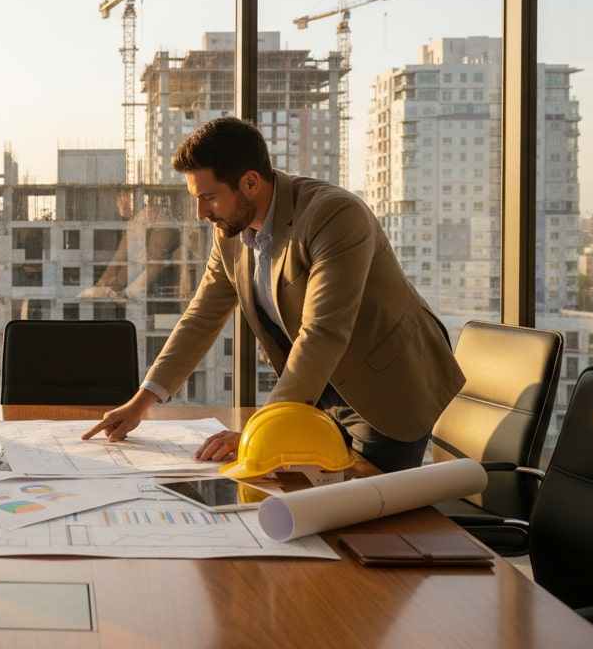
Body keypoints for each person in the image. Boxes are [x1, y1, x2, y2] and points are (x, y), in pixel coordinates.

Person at [82, 116, 464, 473]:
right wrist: (141, 403)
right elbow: (201, 318)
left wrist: (258, 433)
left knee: (366, 522)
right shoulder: (231, 232)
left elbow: (323, 331)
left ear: (250, 183)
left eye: (209, 197)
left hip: (385, 389)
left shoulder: (333, 215)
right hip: (318, 392)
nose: (201, 213)